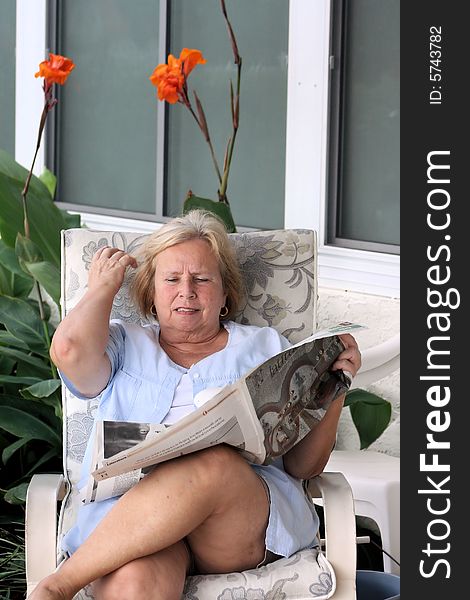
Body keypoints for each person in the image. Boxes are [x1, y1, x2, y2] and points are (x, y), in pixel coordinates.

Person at [29, 210, 361, 600]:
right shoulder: (121, 343)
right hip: (133, 520)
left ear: (224, 295)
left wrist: (334, 385)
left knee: (215, 464)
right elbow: (68, 351)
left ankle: (57, 586)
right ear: (151, 292)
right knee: (134, 584)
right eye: (171, 279)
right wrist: (102, 288)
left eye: (202, 279)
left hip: (235, 521)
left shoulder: (266, 348)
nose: (187, 290)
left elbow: (304, 467)